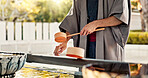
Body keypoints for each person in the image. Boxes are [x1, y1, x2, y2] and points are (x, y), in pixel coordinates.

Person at [54, 0, 131, 61]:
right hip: (85, 47)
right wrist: (65, 41)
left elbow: (121, 17)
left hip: (108, 47)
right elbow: (73, 18)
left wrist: (95, 24)